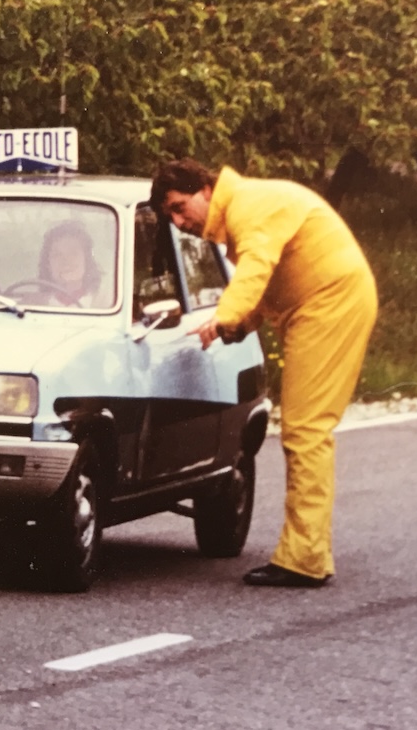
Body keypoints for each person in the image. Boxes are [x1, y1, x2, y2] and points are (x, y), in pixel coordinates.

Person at [151, 158, 378, 588]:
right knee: (303, 429)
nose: (181, 222)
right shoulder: (247, 205)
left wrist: (226, 317)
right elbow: (269, 279)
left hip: (329, 303)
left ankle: (304, 559)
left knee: (306, 430)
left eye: (181, 207)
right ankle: (305, 551)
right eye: (172, 216)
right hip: (315, 304)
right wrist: (234, 324)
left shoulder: (249, 207)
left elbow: (256, 270)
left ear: (204, 189)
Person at [30, 221, 102, 307]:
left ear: (86, 260)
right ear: (48, 265)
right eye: (57, 255)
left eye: (73, 253)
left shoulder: (106, 304)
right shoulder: (31, 306)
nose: (66, 261)